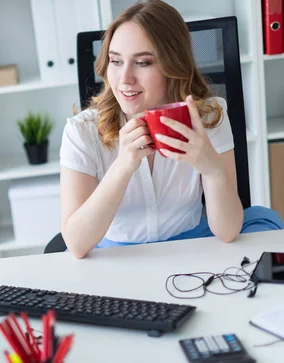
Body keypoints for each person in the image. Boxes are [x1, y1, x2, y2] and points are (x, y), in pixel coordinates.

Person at [59, 0, 284, 258]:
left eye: (143, 63)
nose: (125, 78)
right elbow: (76, 244)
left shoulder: (207, 117)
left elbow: (227, 230)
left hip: (193, 245)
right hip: (117, 255)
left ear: (173, 65)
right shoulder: (82, 132)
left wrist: (211, 168)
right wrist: (123, 165)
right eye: (116, 61)